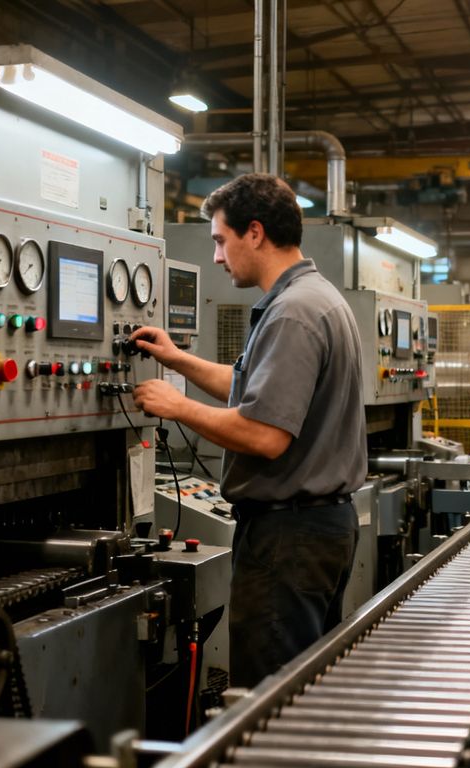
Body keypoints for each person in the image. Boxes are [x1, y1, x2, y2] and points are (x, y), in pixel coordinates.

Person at [130, 173, 366, 688]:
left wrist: (176, 406)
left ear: (254, 233)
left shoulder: (293, 314)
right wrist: (177, 360)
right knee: (302, 690)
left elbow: (264, 434)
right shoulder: (314, 298)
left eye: (220, 239)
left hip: (289, 539)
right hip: (315, 529)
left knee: (268, 695)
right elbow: (251, 390)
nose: (217, 256)